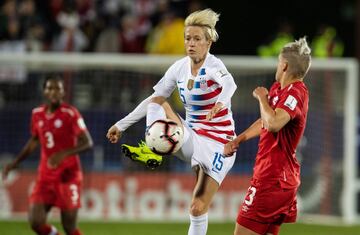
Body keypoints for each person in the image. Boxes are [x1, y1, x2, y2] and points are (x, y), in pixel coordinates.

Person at [106, 8, 237, 235]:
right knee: (158, 100)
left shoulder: (214, 66)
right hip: (191, 137)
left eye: (197, 39)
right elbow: (153, 100)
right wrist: (121, 124)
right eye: (188, 39)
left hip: (219, 145)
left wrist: (221, 103)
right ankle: (152, 147)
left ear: (208, 43)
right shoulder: (179, 67)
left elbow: (230, 85)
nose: (191, 44)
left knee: (197, 208)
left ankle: (156, 145)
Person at [224, 37, 311, 235]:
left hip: (272, 179)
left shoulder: (295, 92)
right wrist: (239, 139)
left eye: (278, 62)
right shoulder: (278, 89)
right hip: (279, 179)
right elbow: (265, 120)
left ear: (285, 65)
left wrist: (262, 99)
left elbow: (273, 123)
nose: (277, 66)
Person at [2, 74, 93, 235]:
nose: (54, 92)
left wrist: (63, 154)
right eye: (50, 88)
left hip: (68, 175)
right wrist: (15, 162)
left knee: (69, 227)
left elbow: (87, 143)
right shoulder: (37, 114)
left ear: (63, 92)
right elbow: (34, 141)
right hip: (45, 176)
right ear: (44, 91)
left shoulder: (71, 113)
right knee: (36, 222)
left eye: (58, 88)